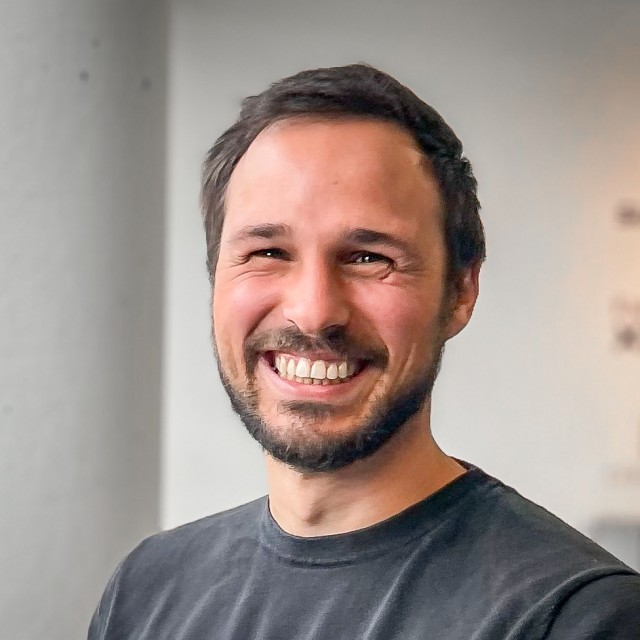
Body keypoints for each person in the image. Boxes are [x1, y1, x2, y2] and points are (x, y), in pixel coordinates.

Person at [88, 64, 640, 639]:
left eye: (369, 258)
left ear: (460, 291)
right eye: (268, 252)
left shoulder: (577, 618)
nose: (313, 312)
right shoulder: (146, 589)